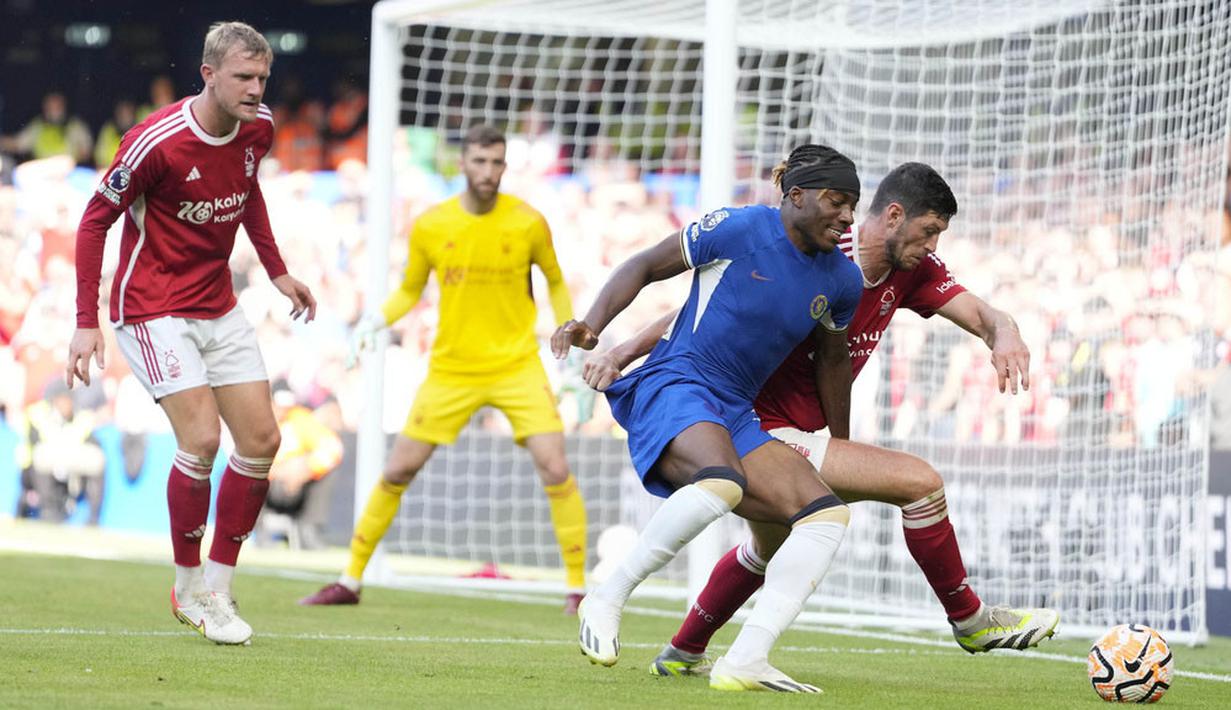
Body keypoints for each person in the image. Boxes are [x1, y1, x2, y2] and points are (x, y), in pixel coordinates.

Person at [582, 163, 1060, 677]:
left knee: (770, 544)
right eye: (928, 232)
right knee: (920, 483)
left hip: (800, 427)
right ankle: (971, 619)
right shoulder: (824, 248)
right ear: (895, 216)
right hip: (760, 421)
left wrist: (1005, 332)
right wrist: (623, 350)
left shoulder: (912, 270)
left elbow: (984, 314)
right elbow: (718, 303)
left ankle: (684, 652)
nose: (933, 247)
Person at [553, 144, 866, 693]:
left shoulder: (841, 279)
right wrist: (593, 324)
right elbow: (645, 264)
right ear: (795, 197)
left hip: (734, 410)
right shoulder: (740, 228)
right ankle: (609, 594)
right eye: (836, 201)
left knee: (826, 516)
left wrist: (838, 441)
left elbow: (834, 360)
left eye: (852, 206)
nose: (846, 216)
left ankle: (746, 658)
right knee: (721, 482)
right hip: (676, 381)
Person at [66, 22, 317, 646]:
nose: (256, 89)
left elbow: (248, 192)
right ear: (208, 75)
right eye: (243, 77)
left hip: (216, 303)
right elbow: (94, 223)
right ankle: (186, 587)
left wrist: (278, 270)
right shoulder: (156, 142)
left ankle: (219, 588)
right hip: (151, 307)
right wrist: (83, 322)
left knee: (262, 439)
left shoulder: (258, 128)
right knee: (202, 439)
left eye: (262, 78)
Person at [299, 124, 590, 613]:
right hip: (451, 370)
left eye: (496, 162)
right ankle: (350, 579)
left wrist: (570, 331)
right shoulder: (433, 224)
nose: (488, 172)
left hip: (517, 366)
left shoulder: (528, 222)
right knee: (398, 469)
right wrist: (376, 319)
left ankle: (578, 590)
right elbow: (411, 290)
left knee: (556, 466)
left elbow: (556, 281)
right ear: (462, 164)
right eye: (479, 161)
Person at [0, 91, 93, 164]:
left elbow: (86, 153)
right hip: (42, 169)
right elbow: (18, 144)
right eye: (49, 106)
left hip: (68, 172)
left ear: (64, 106)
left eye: (57, 106)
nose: (53, 110)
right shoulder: (38, 125)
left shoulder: (76, 126)